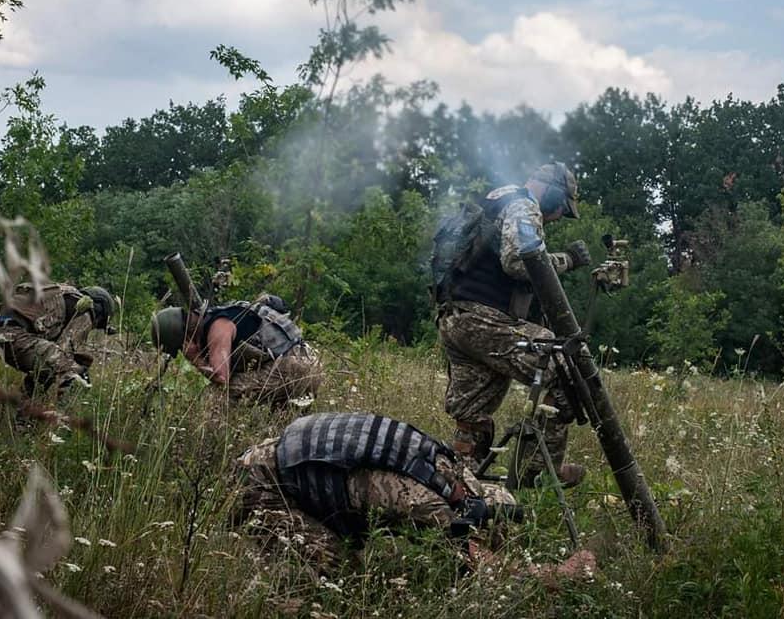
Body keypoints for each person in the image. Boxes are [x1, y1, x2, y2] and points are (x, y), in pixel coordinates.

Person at [231, 411, 596, 578]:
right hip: (261, 486)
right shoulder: (430, 505)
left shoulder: (452, 470)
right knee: (338, 576)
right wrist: (555, 573)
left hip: (286, 454)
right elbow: (488, 569)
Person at [433, 162, 590, 489]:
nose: (559, 215)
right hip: (483, 320)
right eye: (562, 207)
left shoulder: (497, 200)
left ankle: (459, 487)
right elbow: (519, 261)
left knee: (471, 413)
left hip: (456, 318)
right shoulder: (524, 206)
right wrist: (569, 261)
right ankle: (538, 472)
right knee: (561, 364)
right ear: (551, 193)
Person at [150, 294, 322, 406]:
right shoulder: (224, 313)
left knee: (213, 399)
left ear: (184, 337)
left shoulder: (218, 328)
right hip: (308, 362)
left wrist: (195, 358)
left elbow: (221, 379)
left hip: (292, 368)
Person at [0, 282, 116, 401]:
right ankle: (63, 420)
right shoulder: (85, 310)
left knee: (45, 368)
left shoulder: (62, 292)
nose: (93, 325)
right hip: (15, 333)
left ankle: (23, 410)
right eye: (98, 324)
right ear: (100, 310)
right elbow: (66, 351)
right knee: (73, 373)